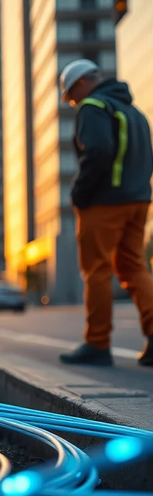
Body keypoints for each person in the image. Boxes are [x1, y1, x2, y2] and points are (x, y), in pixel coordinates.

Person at [57, 59, 153, 367]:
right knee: (133, 266)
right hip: (138, 201)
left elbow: (98, 151)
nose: (73, 103)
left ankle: (97, 344)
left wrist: (79, 193)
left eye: (72, 96)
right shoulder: (134, 112)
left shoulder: (93, 106)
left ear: (81, 84)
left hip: (104, 202)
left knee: (96, 269)